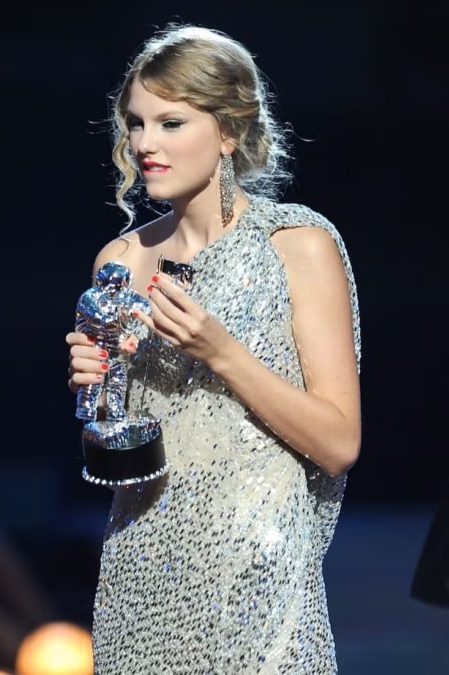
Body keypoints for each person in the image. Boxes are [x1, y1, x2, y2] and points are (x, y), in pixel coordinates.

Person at [64, 25, 360, 672]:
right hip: (142, 564)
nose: (145, 144)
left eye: (171, 123)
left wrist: (222, 351)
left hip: (258, 568)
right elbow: (114, 455)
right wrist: (96, 394)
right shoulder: (121, 260)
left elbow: (339, 443)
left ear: (228, 132)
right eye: (136, 124)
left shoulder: (296, 246)